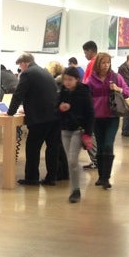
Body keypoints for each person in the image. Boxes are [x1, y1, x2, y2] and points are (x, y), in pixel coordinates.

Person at [6, 53, 62, 186]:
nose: (20, 69)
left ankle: (32, 178)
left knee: (33, 148)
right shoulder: (45, 72)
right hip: (54, 116)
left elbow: (18, 94)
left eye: (20, 66)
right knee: (52, 148)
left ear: (24, 63)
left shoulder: (28, 73)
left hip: (40, 118)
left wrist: (10, 112)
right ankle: (51, 177)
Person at [85, 51, 129, 189]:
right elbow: (86, 97)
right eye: (103, 62)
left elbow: (128, 92)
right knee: (99, 146)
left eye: (108, 62)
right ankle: (101, 177)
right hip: (96, 118)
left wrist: (118, 89)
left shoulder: (116, 77)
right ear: (98, 64)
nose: (106, 65)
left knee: (108, 145)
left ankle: (106, 177)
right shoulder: (91, 80)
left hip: (112, 117)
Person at [58, 67, 94, 203]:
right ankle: (75, 189)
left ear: (77, 80)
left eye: (70, 79)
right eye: (65, 79)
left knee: (73, 160)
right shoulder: (63, 91)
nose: (67, 82)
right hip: (65, 129)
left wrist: (88, 133)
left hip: (78, 130)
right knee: (70, 161)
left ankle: (76, 190)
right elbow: (56, 107)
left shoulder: (84, 92)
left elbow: (90, 114)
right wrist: (60, 108)